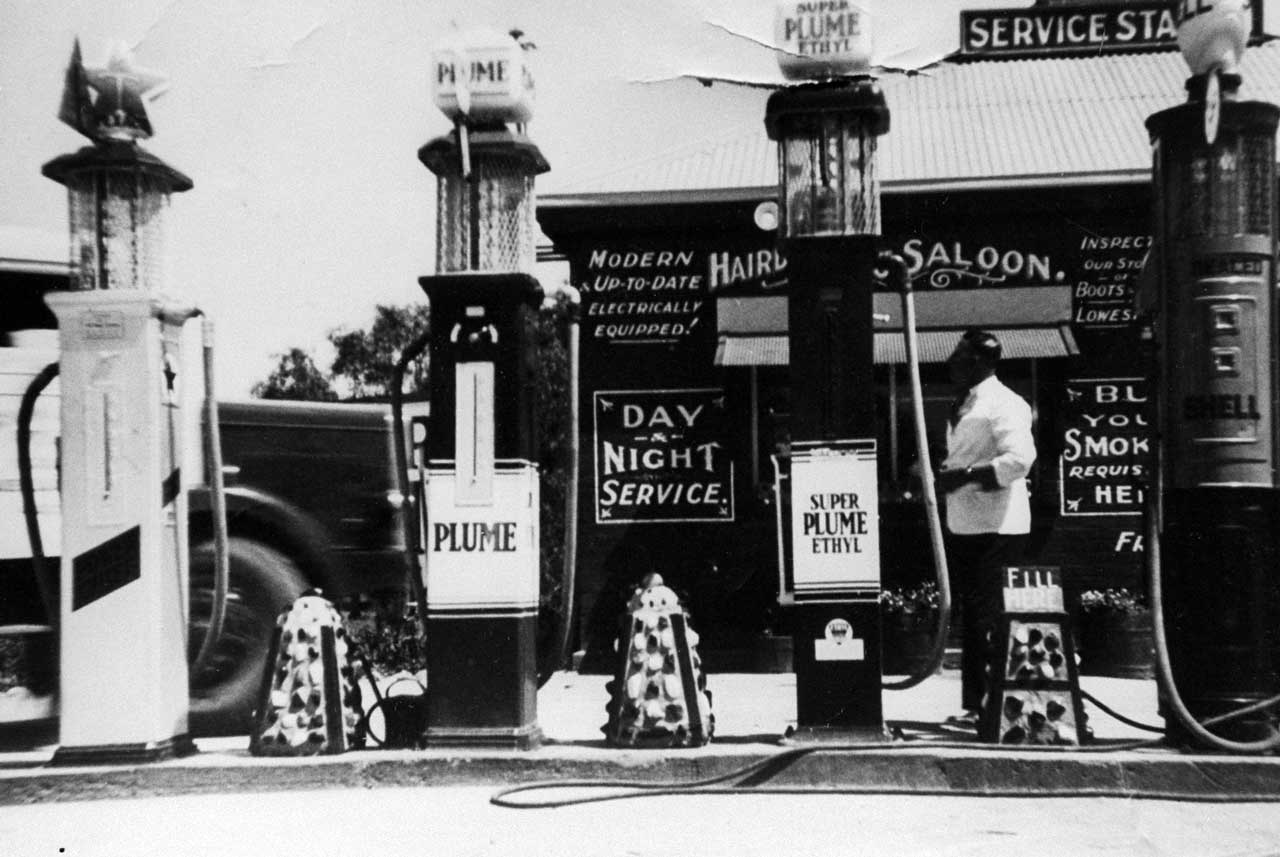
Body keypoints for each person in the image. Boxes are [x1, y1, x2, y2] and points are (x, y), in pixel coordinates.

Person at [935, 329, 1036, 729]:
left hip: (997, 526)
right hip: (966, 523)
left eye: (959, 356)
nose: (951, 363)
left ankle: (987, 705)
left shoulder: (1004, 403)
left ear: (978, 361)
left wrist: (966, 477)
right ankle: (977, 704)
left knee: (986, 618)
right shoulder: (965, 402)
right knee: (974, 615)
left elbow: (1020, 460)